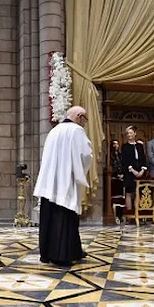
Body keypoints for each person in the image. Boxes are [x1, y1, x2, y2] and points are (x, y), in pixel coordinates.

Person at [34, 106, 92, 266]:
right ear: (79, 116)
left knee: (49, 219)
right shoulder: (76, 131)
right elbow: (86, 155)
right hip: (65, 182)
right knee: (66, 218)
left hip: (49, 182)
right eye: (85, 119)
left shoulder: (54, 131)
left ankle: (48, 253)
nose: (84, 123)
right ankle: (63, 255)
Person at [121, 126, 147, 211]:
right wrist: (133, 171)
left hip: (140, 172)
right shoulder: (125, 146)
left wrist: (142, 170)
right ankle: (129, 213)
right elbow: (125, 160)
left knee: (138, 192)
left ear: (135, 134)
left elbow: (143, 158)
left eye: (131, 133)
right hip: (129, 173)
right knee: (129, 192)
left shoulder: (139, 146)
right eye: (128, 133)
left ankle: (137, 212)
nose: (129, 135)